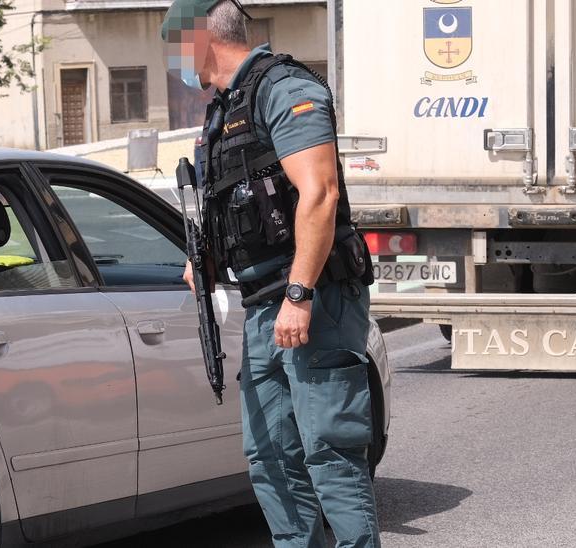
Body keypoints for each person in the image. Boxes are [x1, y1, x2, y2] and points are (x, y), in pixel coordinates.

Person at [162, 1, 381, 547]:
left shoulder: (283, 88)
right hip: (263, 305)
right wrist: (204, 257)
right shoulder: (221, 113)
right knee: (271, 459)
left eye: (174, 45)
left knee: (329, 453)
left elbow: (320, 193)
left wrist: (300, 294)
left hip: (314, 299)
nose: (173, 61)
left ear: (200, 40)